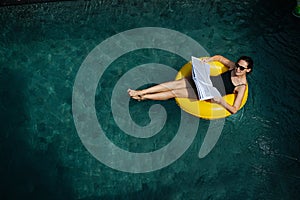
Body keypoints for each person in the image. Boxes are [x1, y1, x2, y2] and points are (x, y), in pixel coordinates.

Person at [128, 55, 253, 114]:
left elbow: (234, 109)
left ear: (248, 70)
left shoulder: (241, 87)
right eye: (237, 65)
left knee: (174, 92)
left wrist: (221, 102)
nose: (237, 69)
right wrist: (208, 60)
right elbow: (220, 58)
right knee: (173, 84)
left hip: (207, 93)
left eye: (242, 68)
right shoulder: (232, 66)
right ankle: (141, 92)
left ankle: (143, 97)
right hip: (205, 80)